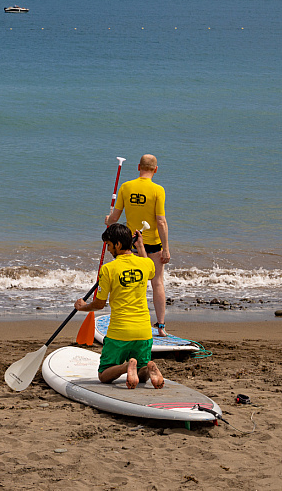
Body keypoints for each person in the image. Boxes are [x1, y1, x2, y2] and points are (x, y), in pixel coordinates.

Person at [75, 223, 164, 390]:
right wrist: (141, 246)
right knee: (142, 374)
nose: (108, 249)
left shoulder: (108, 269)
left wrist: (83, 307)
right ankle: (149, 366)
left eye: (109, 245)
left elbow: (100, 304)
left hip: (119, 333)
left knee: (104, 375)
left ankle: (126, 367)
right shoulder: (146, 264)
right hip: (143, 332)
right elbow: (149, 268)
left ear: (117, 244)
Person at [105, 154, 171, 336]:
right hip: (153, 244)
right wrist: (166, 248)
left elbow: (115, 218)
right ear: (156, 169)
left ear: (138, 167)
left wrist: (107, 220)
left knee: (132, 282)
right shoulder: (158, 190)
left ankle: (130, 319)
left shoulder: (126, 187)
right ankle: (161, 326)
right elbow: (161, 221)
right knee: (157, 283)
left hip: (131, 243)